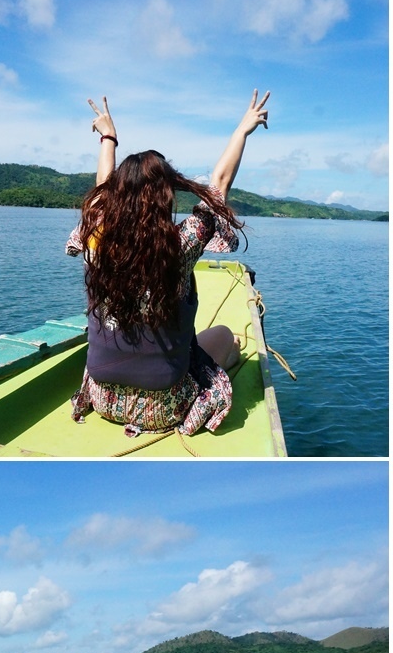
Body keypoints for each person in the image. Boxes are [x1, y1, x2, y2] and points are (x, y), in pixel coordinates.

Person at [66, 90, 269, 437]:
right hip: (164, 408)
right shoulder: (179, 246)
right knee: (225, 338)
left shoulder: (96, 236)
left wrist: (108, 138)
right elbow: (218, 184)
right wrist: (242, 130)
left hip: (102, 399)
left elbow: (101, 190)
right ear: (167, 195)